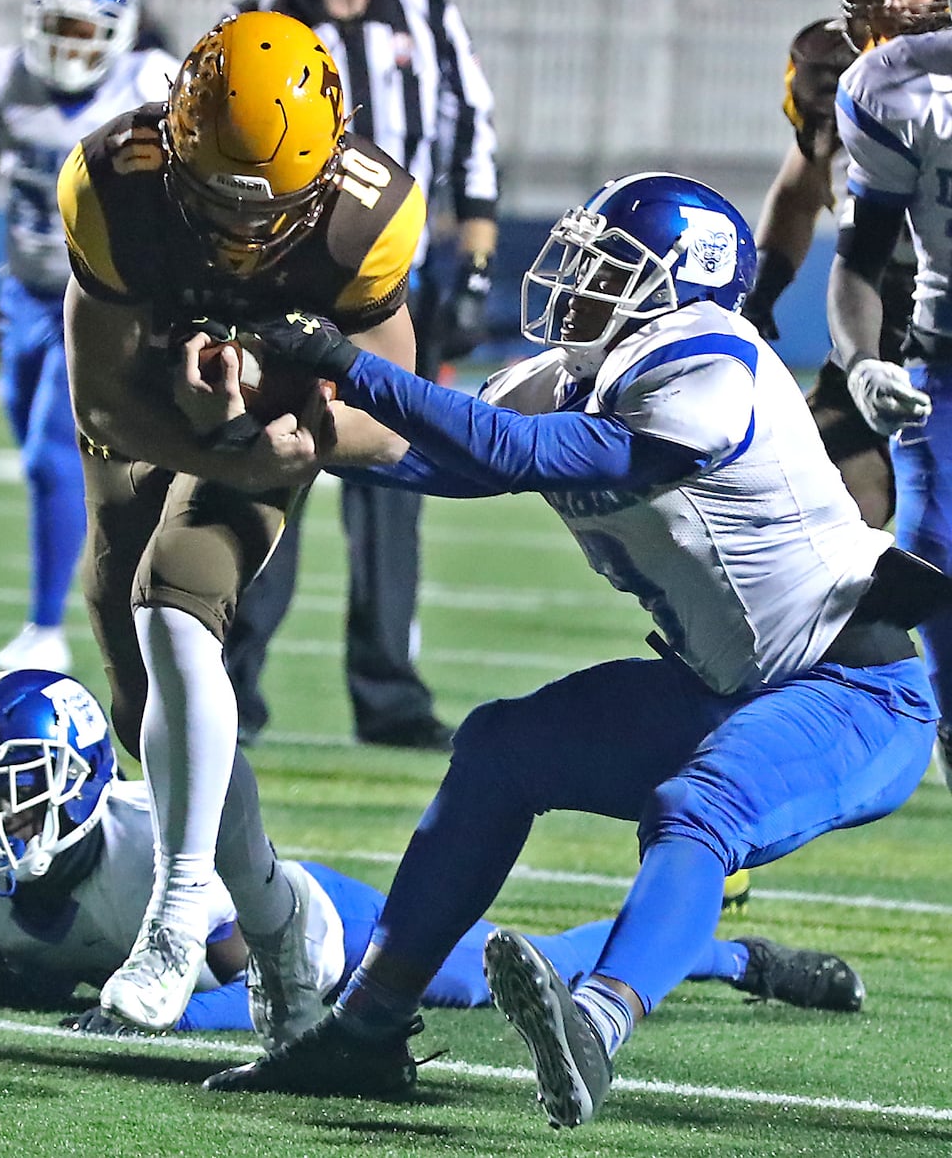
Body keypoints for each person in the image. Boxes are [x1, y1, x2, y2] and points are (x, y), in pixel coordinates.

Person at [200, 172, 944, 1127]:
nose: (578, 284)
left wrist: (351, 361)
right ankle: (366, 1028)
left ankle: (595, 1025)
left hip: (855, 689)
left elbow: (522, 454)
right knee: (502, 748)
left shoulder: (713, 362)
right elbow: (449, 455)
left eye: (610, 268)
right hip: (729, 684)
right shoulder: (579, 371)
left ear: (685, 281)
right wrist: (291, 429)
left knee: (699, 804)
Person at [59, 9, 427, 1042]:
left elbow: (389, 419)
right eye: (210, 200)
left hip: (272, 425)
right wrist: (210, 443)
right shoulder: (114, 184)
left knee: (174, 593)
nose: (234, 229)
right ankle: (279, 924)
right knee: (145, 709)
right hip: (151, 419)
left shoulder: (367, 215)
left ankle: (180, 915)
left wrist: (271, 427)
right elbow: (101, 402)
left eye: (261, 208)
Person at [0, 669, 870, 1034]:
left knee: (487, 976)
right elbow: (68, 955)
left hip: (322, 928)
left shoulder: (155, 853)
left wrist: (168, 1020)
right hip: (260, 933)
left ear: (89, 774)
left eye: (16, 791)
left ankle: (727, 952)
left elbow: (256, 981)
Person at [223, 0, 499, 749]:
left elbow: (473, 142)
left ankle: (390, 696)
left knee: (389, 482)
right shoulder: (256, 12)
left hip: (389, 287)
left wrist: (474, 271)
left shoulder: (428, 17)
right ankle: (231, 682)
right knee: (268, 467)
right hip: (276, 279)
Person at [0, 0, 175, 674]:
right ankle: (103, 579)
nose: (70, 45)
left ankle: (47, 625)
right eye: (59, 28)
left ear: (118, 32)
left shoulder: (149, 91)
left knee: (51, 454)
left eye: (85, 29)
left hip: (105, 294)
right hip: (29, 290)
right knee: (36, 452)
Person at [739, 0, 946, 531]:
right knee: (805, 493)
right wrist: (760, 293)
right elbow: (800, 192)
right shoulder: (833, 62)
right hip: (891, 306)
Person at [828, 3, 952, 770]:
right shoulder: (896, 84)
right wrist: (863, 360)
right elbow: (860, 260)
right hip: (945, 358)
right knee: (933, 549)